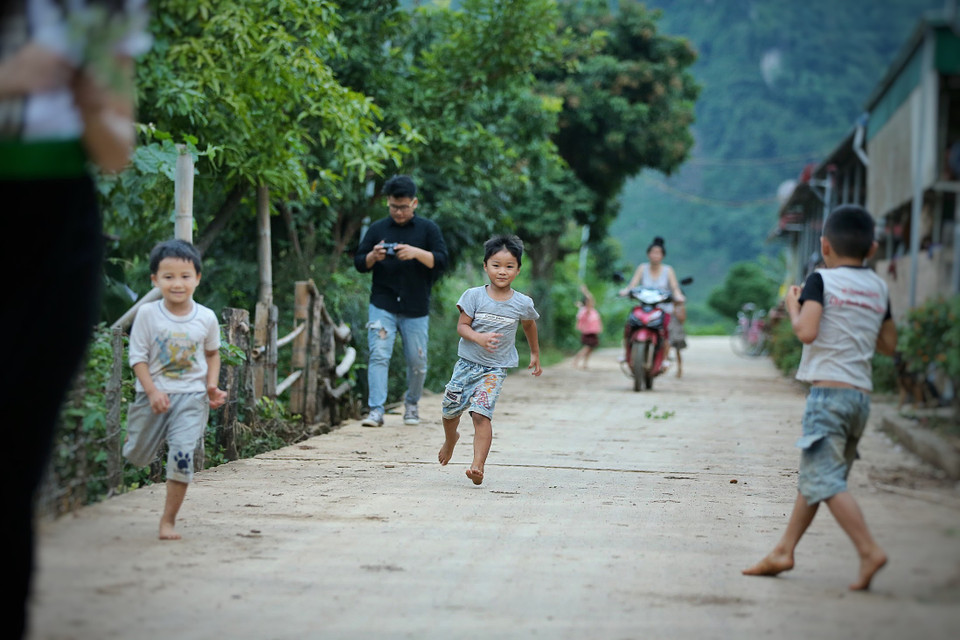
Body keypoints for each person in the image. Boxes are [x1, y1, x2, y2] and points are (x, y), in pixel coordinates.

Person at [0, 1, 150, 636]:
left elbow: (116, 148)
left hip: (58, 230)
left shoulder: (97, 6)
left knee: (16, 456)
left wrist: (91, 98)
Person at [742, 204, 897, 591]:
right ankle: (784, 550)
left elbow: (807, 332)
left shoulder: (820, 281)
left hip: (828, 397)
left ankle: (868, 549)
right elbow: (889, 344)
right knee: (818, 477)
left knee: (824, 479)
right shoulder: (878, 287)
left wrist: (795, 307)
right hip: (860, 399)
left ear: (824, 246)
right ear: (872, 249)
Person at [124, 239, 228, 540]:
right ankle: (137, 437)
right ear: (155, 280)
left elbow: (212, 354)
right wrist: (153, 391)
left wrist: (211, 385)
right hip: (152, 396)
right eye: (168, 277)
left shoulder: (206, 317)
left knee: (182, 457)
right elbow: (138, 358)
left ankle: (167, 521)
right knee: (137, 457)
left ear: (197, 277)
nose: (177, 283)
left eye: (185, 276)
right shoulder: (147, 314)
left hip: (192, 398)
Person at [437, 234, 542, 485]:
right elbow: (462, 327)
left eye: (509, 267)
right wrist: (478, 338)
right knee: (449, 412)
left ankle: (477, 466)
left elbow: (529, 326)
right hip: (466, 365)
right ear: (485, 266)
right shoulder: (473, 296)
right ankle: (451, 439)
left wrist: (535, 353)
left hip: (494, 369)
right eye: (496, 265)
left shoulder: (522, 303)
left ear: (518, 270)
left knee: (481, 415)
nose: (502, 272)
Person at [354, 174, 448, 427]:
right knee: (378, 354)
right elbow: (359, 263)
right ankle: (376, 410)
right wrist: (374, 256)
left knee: (417, 360)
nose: (399, 211)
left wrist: (416, 253)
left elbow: (441, 261)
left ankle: (412, 404)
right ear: (388, 202)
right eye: (394, 206)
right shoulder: (377, 229)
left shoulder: (428, 229)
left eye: (404, 207)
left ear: (414, 203)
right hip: (382, 303)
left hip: (416, 307)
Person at [618, 236, 685, 363]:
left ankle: (665, 356)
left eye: (658, 253)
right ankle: (626, 352)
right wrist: (626, 291)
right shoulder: (642, 268)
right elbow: (632, 284)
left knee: (665, 330)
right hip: (644, 306)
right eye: (653, 252)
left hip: (662, 307)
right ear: (648, 254)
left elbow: (675, 287)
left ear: (663, 255)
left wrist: (678, 295)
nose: (655, 255)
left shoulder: (668, 270)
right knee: (630, 324)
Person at [572, 283, 602, 369]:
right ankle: (576, 361)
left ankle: (585, 363)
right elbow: (590, 299)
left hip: (592, 332)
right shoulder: (586, 311)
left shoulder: (590, 310)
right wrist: (585, 291)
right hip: (588, 332)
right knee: (587, 348)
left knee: (590, 349)